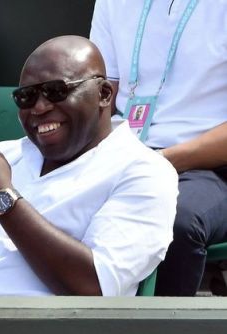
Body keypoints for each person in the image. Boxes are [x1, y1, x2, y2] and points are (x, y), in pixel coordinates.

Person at [0, 35, 178, 297]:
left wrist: (0, 197)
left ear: (104, 94)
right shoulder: (2, 156)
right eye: (26, 97)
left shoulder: (144, 171)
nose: (39, 108)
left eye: (56, 91)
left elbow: (94, 285)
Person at [90, 0, 227, 296]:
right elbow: (100, 95)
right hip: (124, 151)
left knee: (177, 221)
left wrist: (157, 162)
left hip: (207, 165)